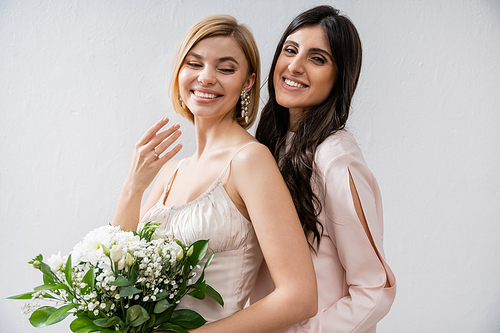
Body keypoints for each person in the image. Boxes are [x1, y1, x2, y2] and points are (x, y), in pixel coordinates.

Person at [111, 15, 317, 332]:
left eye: (225, 68)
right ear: (179, 71)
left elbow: (299, 297)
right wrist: (133, 186)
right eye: (194, 64)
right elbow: (118, 274)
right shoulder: (171, 171)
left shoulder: (250, 161)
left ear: (248, 81)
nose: (206, 78)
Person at [251, 6, 396, 333]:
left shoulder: (335, 159)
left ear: (339, 78)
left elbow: (373, 289)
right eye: (290, 50)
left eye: (317, 59)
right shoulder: (271, 146)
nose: (294, 66)